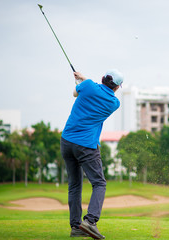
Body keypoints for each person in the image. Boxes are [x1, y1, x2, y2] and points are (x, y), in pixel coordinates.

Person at [60, 69, 123, 239]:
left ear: (102, 78)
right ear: (117, 87)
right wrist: (84, 80)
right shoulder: (114, 103)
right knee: (99, 183)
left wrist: (80, 81)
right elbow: (95, 89)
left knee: (74, 185)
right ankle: (90, 221)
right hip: (86, 145)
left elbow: (75, 93)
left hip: (66, 141)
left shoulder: (87, 86)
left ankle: (75, 227)